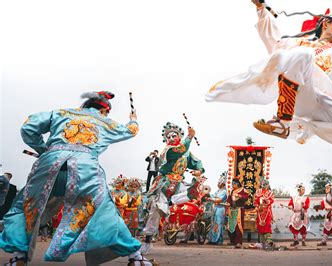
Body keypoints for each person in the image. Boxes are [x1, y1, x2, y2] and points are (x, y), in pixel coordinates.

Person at [206, 0, 332, 226]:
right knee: (299, 54)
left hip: (328, 101)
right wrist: (261, 10)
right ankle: (282, 120)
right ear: (324, 24)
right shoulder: (299, 44)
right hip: (302, 94)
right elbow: (273, 41)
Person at [0, 91, 156, 266]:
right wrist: (133, 118)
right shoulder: (105, 121)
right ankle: (136, 258)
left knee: (26, 206)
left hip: (49, 162)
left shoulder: (61, 113)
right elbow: (131, 130)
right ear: (104, 111)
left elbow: (28, 127)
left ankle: (18, 257)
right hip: (85, 168)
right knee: (104, 211)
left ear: (85, 105)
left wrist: (44, 149)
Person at [141, 122, 205, 254]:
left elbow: (196, 162)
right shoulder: (168, 151)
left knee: (194, 192)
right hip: (165, 182)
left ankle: (171, 202)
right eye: (168, 137)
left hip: (178, 183)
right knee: (155, 210)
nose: (170, 138)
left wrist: (199, 170)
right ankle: (147, 240)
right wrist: (190, 137)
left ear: (179, 137)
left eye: (173, 136)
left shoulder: (186, 153)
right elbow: (179, 151)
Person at [227, 179, 249, 248]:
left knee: (238, 226)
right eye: (232, 184)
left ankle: (238, 242)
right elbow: (229, 200)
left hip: (239, 210)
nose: (233, 186)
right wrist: (227, 204)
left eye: (234, 184)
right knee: (231, 225)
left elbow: (246, 198)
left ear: (237, 184)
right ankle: (232, 241)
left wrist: (240, 196)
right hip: (232, 210)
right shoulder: (232, 191)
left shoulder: (243, 190)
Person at [208, 172, 228, 245]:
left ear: (222, 184)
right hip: (215, 208)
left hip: (220, 209)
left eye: (219, 183)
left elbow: (219, 200)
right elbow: (213, 196)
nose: (217, 184)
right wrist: (209, 196)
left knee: (218, 224)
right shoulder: (217, 191)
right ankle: (213, 239)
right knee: (213, 223)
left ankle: (217, 240)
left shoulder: (224, 192)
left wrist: (211, 199)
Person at [254, 177, 274, 248]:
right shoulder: (258, 192)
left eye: (265, 185)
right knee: (260, 227)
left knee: (267, 226)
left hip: (267, 212)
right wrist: (257, 207)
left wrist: (265, 201)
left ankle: (268, 242)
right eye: (263, 185)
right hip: (260, 212)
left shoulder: (270, 193)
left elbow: (271, 201)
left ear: (268, 185)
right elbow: (255, 201)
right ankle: (262, 243)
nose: (264, 186)